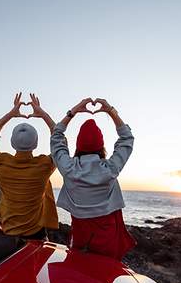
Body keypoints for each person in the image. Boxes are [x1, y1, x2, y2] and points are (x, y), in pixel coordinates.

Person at [50, 97, 136, 260]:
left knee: (79, 276)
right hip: (107, 237)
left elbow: (56, 137)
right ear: (101, 146)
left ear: (78, 146)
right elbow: (127, 139)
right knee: (105, 278)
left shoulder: (69, 168)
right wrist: (111, 111)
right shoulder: (110, 169)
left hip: (81, 237)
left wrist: (73, 111)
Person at [0, 92, 58, 239]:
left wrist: (11, 114)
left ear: (12, 142)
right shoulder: (44, 166)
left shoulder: (0, 162)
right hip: (37, 235)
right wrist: (43, 115)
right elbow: (60, 142)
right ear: (36, 143)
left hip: (8, 235)